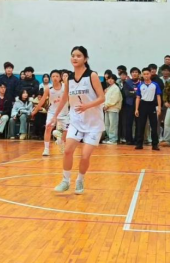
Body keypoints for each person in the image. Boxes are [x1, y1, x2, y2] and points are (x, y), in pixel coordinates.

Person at [51, 46, 105, 195]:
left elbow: (102, 98)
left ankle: (80, 180)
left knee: (85, 156)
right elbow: (64, 98)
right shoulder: (69, 78)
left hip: (94, 123)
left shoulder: (92, 76)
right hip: (76, 120)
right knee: (68, 151)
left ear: (85, 59)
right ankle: (65, 181)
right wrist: (55, 115)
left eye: (79, 56)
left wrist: (87, 106)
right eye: (73, 55)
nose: (75, 58)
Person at [31, 70, 69, 155]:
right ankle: (46, 149)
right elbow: (42, 100)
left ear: (60, 78)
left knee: (67, 131)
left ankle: (62, 143)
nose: (55, 78)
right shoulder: (48, 89)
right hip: (52, 112)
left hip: (64, 113)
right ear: (51, 78)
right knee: (48, 128)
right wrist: (35, 110)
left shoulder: (65, 87)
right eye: (53, 76)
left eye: (57, 76)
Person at [135, 67, 163, 151]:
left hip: (152, 105)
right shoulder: (140, 85)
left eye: (147, 74)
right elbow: (138, 97)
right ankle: (139, 144)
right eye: (144, 74)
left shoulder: (155, 85)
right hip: (143, 105)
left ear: (150, 74)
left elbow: (158, 96)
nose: (146, 75)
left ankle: (155, 144)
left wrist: (159, 108)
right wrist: (136, 109)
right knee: (141, 125)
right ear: (142, 75)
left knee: (154, 126)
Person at [122, 67, 141, 145]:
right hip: (129, 105)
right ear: (130, 74)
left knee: (138, 123)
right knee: (129, 123)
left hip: (139, 105)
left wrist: (133, 92)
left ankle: (137, 139)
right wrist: (137, 93)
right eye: (133, 72)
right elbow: (127, 93)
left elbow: (142, 93)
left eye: (136, 72)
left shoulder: (141, 83)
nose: (134, 73)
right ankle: (129, 139)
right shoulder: (127, 82)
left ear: (139, 74)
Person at [103, 74, 122, 145]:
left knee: (113, 125)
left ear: (114, 80)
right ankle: (109, 138)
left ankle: (113, 139)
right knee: (107, 124)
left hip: (113, 109)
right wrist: (104, 106)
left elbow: (114, 99)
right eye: (109, 79)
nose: (110, 80)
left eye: (112, 79)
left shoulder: (116, 88)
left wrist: (107, 105)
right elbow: (105, 98)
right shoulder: (108, 88)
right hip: (107, 108)